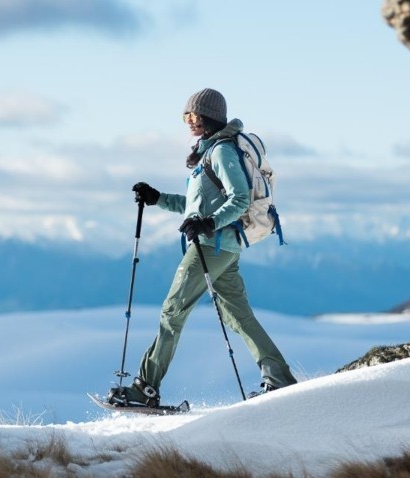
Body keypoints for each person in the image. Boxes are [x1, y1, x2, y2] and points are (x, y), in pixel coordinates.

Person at [108, 88, 297, 407]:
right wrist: (158, 198)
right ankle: (279, 379)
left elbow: (238, 200)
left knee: (173, 311)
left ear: (211, 117)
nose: (190, 121)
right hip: (225, 246)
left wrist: (208, 224)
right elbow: (198, 206)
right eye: (186, 115)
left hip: (211, 245)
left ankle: (145, 389)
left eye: (195, 115)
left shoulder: (221, 152)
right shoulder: (209, 154)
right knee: (238, 316)